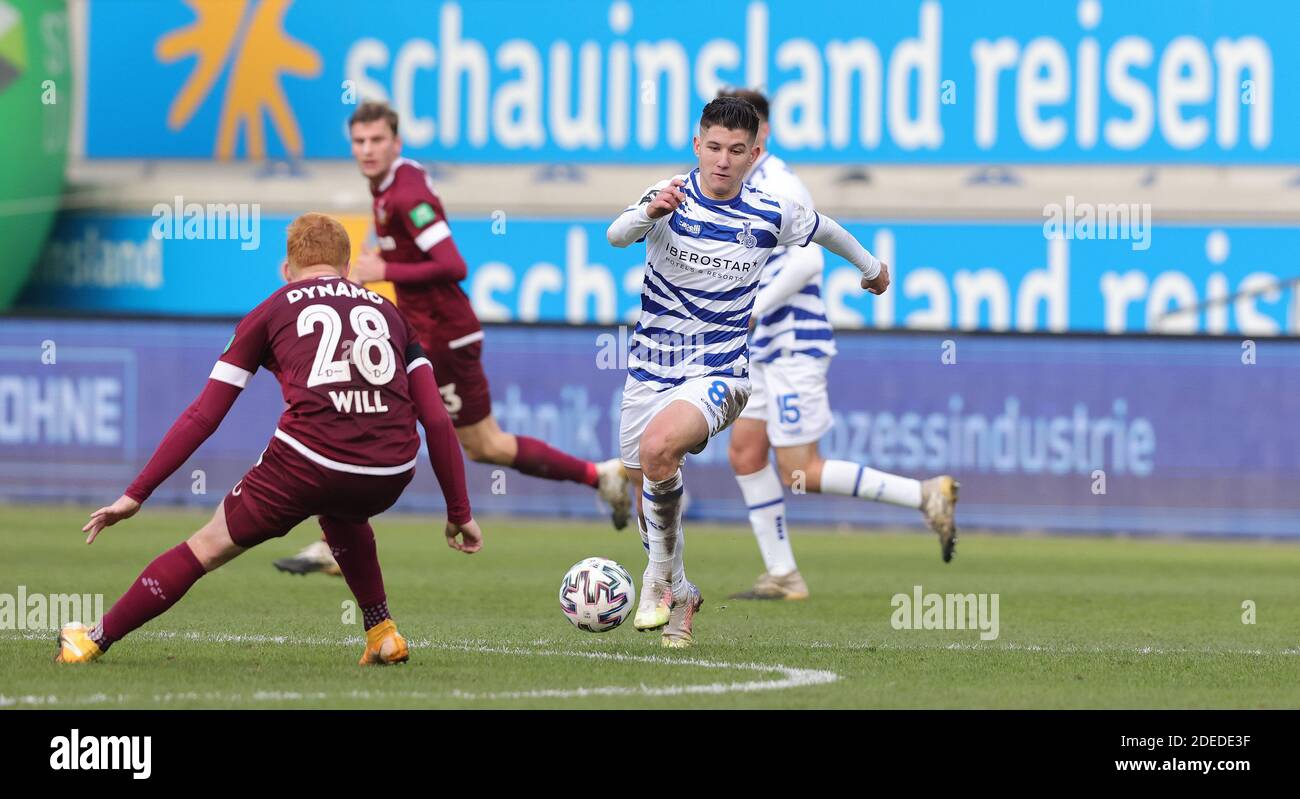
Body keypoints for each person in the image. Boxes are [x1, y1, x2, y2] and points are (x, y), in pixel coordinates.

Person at [57, 213, 480, 665]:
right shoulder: (391, 314)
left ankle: (92, 639)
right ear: (348, 264)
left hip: (309, 462)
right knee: (342, 510)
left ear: (286, 269)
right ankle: (382, 632)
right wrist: (459, 511)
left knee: (207, 544)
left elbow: (205, 415)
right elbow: (435, 419)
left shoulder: (272, 308)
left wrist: (136, 493)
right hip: (390, 469)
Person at [274, 101, 631, 576]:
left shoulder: (404, 193)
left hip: (441, 337)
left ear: (396, 143)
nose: (367, 149)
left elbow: (452, 263)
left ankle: (332, 543)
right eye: (359, 141)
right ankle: (599, 475)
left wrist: (385, 269)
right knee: (486, 444)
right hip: (432, 333)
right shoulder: (388, 189)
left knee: (356, 411)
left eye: (377, 140)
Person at [606, 97, 890, 647]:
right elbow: (617, 234)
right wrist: (648, 214)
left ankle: (656, 582)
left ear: (754, 153)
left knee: (660, 449)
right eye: (713, 147)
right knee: (645, 485)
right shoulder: (669, 196)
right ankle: (683, 591)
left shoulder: (768, 212)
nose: (722, 160)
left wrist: (871, 268)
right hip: (650, 370)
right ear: (697, 145)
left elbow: (825, 230)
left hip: (722, 371)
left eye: (737, 151)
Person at [718, 89, 958, 602]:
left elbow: (809, 261)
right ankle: (783, 574)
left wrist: (752, 307)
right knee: (744, 452)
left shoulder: (778, 182)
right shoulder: (739, 187)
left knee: (801, 469)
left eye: (743, 134)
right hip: (759, 348)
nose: (731, 149)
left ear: (760, 135)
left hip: (792, 343)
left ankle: (924, 495)